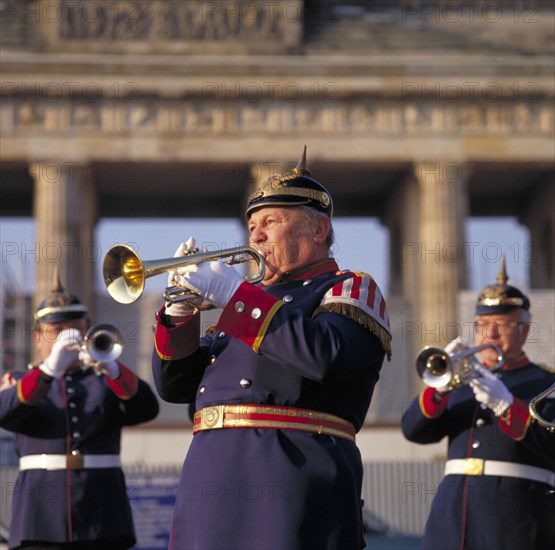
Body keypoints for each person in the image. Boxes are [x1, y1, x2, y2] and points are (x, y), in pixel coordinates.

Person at [151, 149, 392, 550]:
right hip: (208, 481)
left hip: (286, 481)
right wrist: (178, 310)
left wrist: (234, 294)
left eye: (270, 222)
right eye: (252, 226)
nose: (256, 235)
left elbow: (326, 355)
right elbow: (176, 387)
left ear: (318, 230)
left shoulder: (347, 287)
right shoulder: (246, 307)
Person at [401, 258, 555, 550]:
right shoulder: (462, 380)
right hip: (452, 516)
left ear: (523, 329)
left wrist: (506, 405)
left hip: (516, 516)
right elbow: (413, 430)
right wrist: (439, 391)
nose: (490, 334)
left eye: (502, 325)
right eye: (483, 325)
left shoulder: (545, 382)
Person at [0, 269, 160, 550]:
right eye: (56, 331)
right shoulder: (19, 382)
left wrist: (112, 367)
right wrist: (49, 371)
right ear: (38, 338)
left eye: (76, 329)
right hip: (41, 517)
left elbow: (146, 410)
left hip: (103, 514)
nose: (68, 338)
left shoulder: (104, 379)